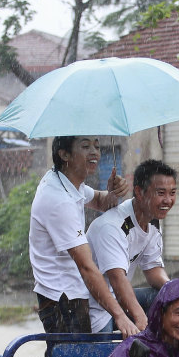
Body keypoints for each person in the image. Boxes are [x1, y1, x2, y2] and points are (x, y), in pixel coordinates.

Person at [29, 136, 139, 335]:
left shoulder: (69, 182)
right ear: (64, 155)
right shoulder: (59, 199)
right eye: (85, 146)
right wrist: (120, 316)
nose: (95, 152)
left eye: (97, 146)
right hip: (62, 300)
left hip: (70, 293)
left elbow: (100, 201)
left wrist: (114, 193)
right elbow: (87, 267)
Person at [85, 159, 176, 333]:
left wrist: (174, 290)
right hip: (96, 303)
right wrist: (141, 318)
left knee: (166, 299)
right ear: (139, 193)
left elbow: (153, 268)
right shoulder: (113, 226)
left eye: (172, 193)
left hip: (120, 298)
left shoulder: (152, 223)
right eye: (161, 193)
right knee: (106, 355)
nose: (168, 200)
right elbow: (117, 279)